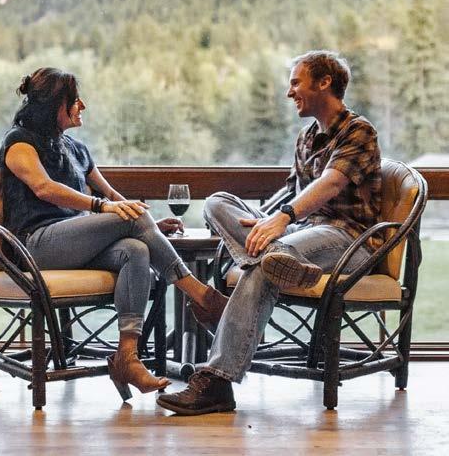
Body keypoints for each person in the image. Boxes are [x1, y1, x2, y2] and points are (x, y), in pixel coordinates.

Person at [156, 50, 382, 415]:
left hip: (348, 239)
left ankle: (218, 381)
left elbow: (330, 183)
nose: (289, 92)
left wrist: (282, 218)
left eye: (296, 83)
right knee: (217, 203)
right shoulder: (306, 137)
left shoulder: (359, 131)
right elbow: (292, 191)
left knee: (263, 268)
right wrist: (261, 219)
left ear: (324, 83)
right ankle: (274, 257)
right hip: (300, 233)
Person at [0, 67, 228, 400]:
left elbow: (112, 196)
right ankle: (202, 297)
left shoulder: (76, 149)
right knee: (133, 225)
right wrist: (102, 207)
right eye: (75, 100)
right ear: (54, 105)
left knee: (136, 249)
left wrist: (149, 225)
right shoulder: (20, 142)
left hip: (73, 245)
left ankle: (127, 358)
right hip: (35, 245)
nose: (82, 106)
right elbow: (44, 188)